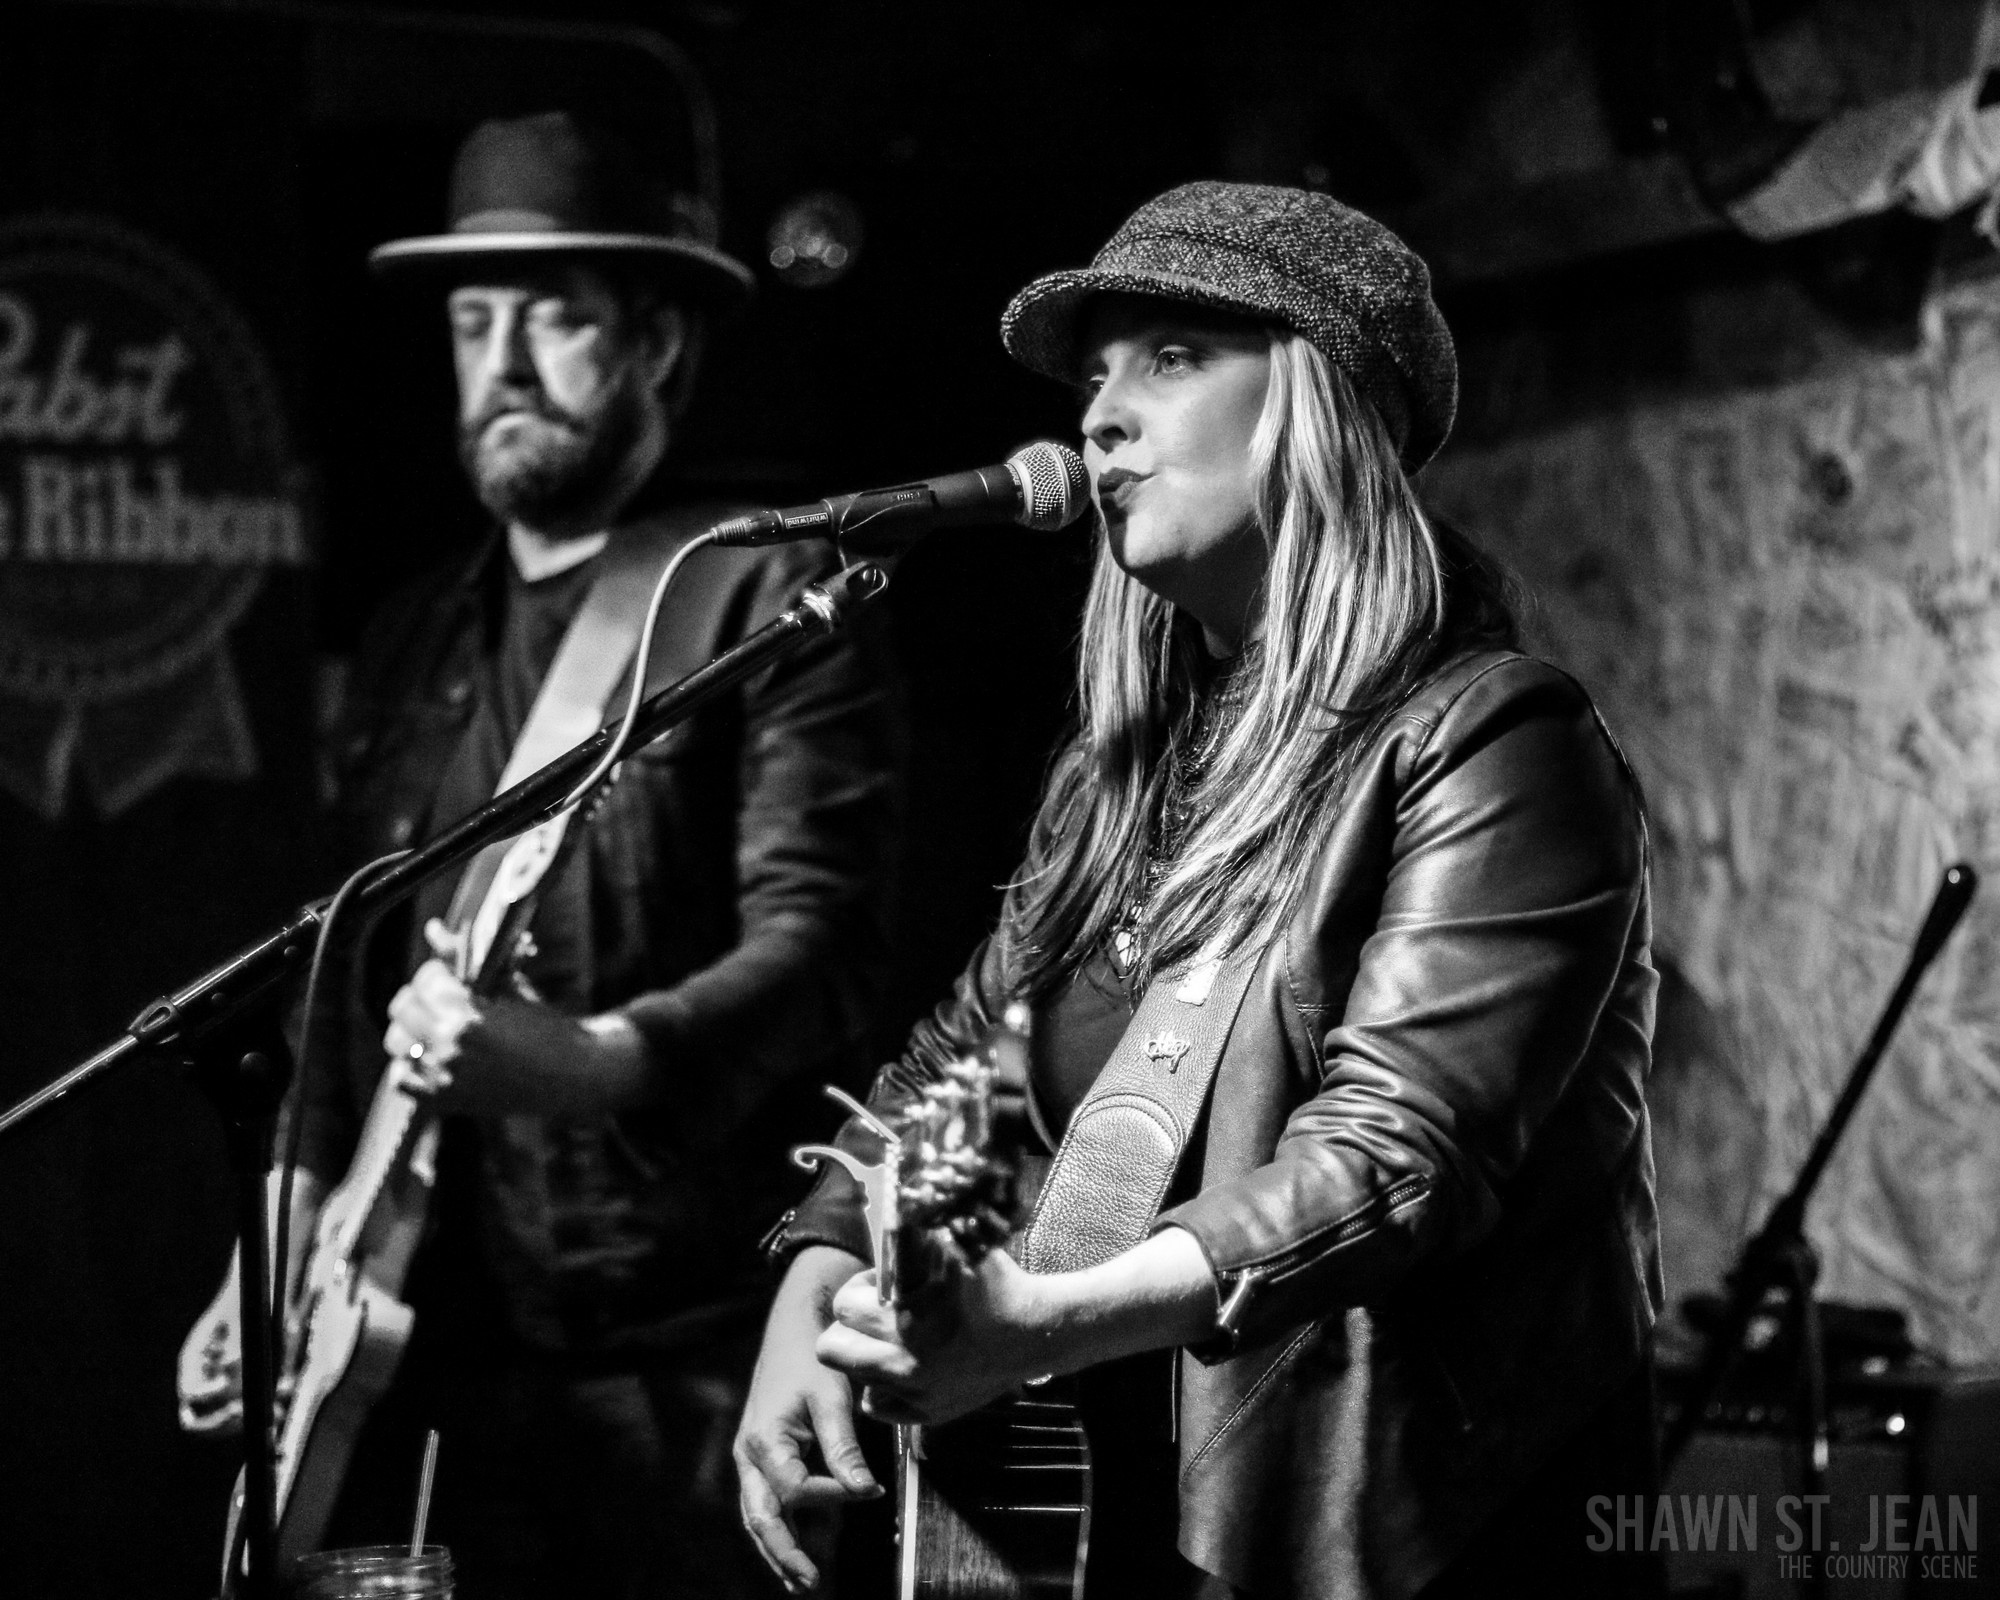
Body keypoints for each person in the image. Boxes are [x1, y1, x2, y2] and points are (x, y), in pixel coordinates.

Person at [734, 181, 1662, 1599]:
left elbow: (1392, 1159)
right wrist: (808, 1289)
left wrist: (1038, 1324)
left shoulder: (1494, 739)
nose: (1101, 418)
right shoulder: (1120, 777)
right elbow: (955, 1072)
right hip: (1125, 1541)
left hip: (1396, 1549)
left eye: (1170, 358)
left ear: (1321, 403)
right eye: (1095, 379)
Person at [178, 113, 900, 1599]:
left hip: (691, 1362)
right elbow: (340, 971)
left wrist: (590, 1062)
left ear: (655, 347)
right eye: (471, 322)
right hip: (443, 1368)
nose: (500, 362)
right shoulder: (413, 638)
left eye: (552, 317)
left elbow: (821, 951)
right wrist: (280, 1231)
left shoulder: (764, 595)